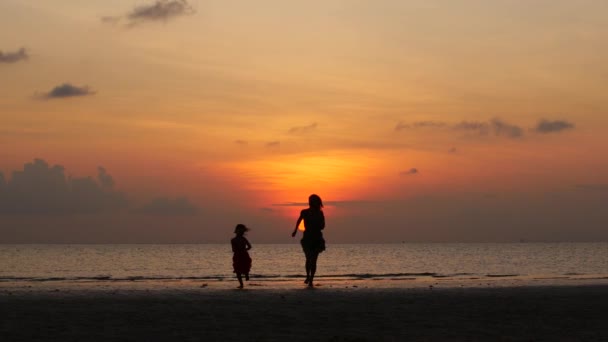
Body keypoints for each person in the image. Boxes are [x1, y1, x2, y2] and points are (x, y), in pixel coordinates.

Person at [291, 194, 325, 287]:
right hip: (307, 238)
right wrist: (295, 231)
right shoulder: (304, 212)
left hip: (317, 238)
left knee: (314, 260)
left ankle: (311, 279)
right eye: (310, 200)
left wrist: (317, 224)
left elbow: (323, 226)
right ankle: (307, 276)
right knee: (308, 258)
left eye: (312, 200)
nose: (310, 202)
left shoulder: (320, 213)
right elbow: (299, 221)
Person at [231, 224, 252, 289]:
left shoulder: (234, 240)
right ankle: (245, 277)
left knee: (239, 270)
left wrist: (241, 250)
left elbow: (233, 250)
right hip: (242, 254)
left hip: (240, 255)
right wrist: (244, 249)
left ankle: (242, 283)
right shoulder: (240, 239)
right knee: (241, 268)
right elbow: (249, 247)